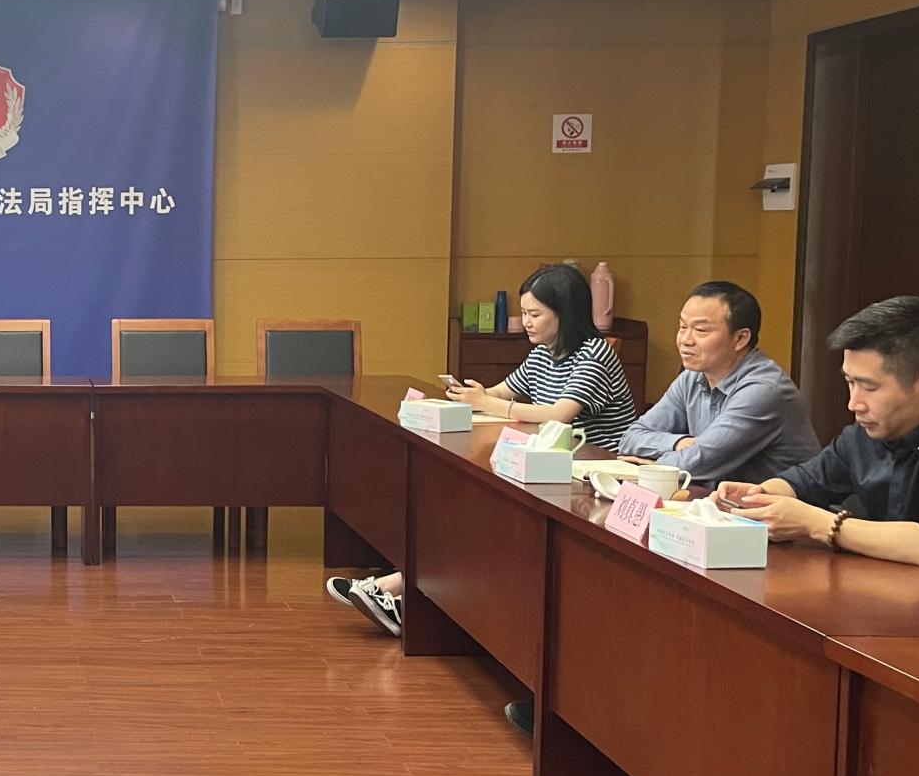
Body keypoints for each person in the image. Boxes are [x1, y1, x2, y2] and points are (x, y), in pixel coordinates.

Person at [329, 262, 639, 647]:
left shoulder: (595, 354)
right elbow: (502, 391)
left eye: (535, 314)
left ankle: (393, 590)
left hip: (593, 486)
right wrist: (470, 395)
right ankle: (396, 590)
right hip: (546, 473)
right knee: (466, 508)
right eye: (524, 313)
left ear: (565, 313)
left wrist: (491, 404)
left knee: (480, 518)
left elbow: (558, 414)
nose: (527, 322)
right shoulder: (543, 353)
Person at [717, 296, 919, 578]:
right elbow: (806, 481)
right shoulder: (869, 430)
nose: (853, 403)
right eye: (850, 382)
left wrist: (820, 524)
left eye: (869, 387)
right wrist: (756, 498)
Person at [617, 280, 818, 484]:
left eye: (701, 330)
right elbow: (630, 438)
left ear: (740, 338)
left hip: (774, 502)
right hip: (717, 499)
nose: (685, 340)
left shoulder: (764, 390)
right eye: (682, 327)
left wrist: (653, 465)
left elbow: (695, 463)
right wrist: (678, 442)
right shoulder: (692, 376)